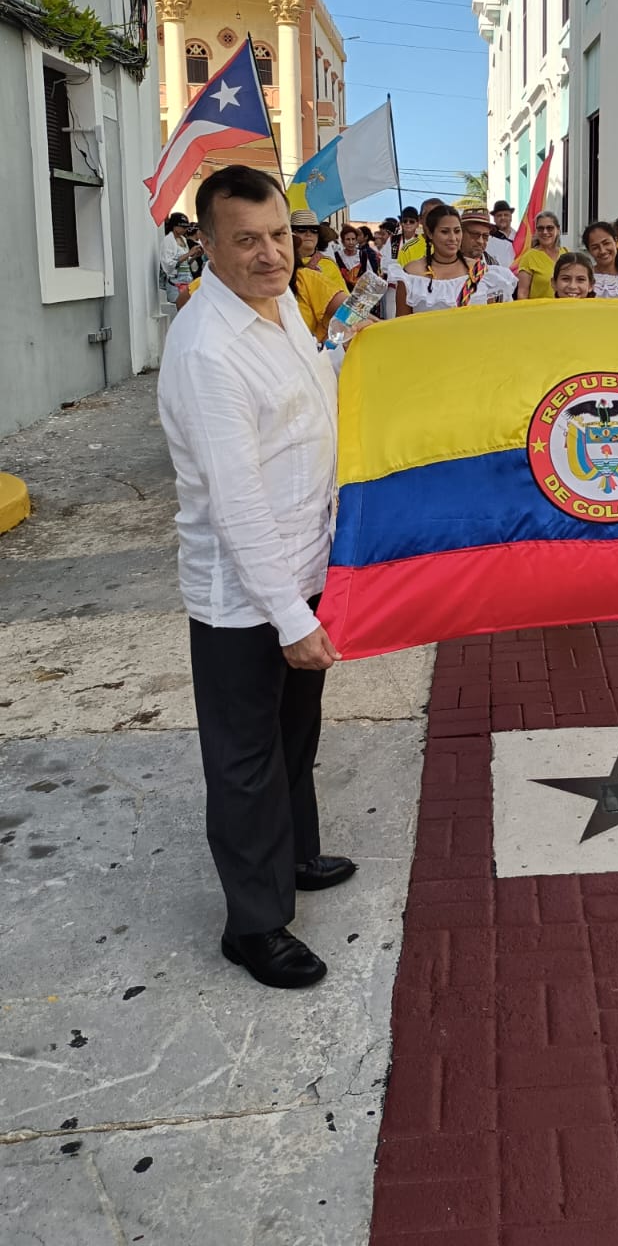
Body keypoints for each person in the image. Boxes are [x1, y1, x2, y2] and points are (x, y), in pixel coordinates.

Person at [157, 165, 355, 991]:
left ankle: (294, 855)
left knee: (293, 737)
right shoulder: (208, 349)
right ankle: (255, 924)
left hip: (306, 566)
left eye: (279, 234)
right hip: (244, 597)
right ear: (207, 245)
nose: (271, 253)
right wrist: (289, 616)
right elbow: (236, 504)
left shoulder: (282, 317)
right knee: (244, 758)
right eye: (246, 240)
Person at [397, 204, 515, 313]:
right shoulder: (411, 275)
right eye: (445, 232)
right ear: (430, 233)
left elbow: (497, 318)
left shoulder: (483, 272)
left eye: (457, 231)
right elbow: (401, 325)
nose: (453, 238)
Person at [290, 209, 345, 296]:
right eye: (302, 229)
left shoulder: (328, 265)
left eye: (314, 230)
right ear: (291, 234)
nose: (308, 234)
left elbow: (343, 303)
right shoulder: (281, 264)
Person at [516, 211, 566, 299]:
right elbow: (522, 293)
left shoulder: (566, 254)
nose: (545, 232)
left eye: (549, 228)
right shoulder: (529, 257)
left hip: (564, 309)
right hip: (539, 311)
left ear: (558, 230)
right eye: (540, 228)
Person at [160, 213, 203, 306]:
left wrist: (195, 256)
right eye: (183, 227)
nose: (185, 230)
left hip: (187, 282)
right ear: (175, 227)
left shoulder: (183, 239)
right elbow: (168, 264)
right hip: (175, 284)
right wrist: (189, 254)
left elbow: (186, 263)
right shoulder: (168, 240)